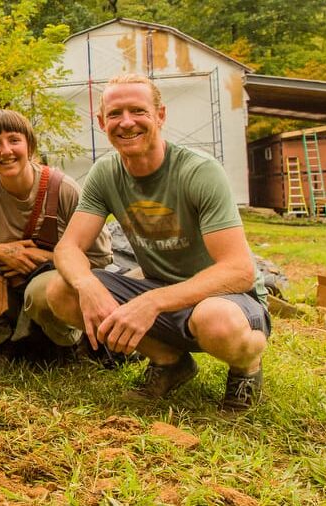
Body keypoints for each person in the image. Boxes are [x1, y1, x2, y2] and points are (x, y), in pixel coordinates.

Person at [47, 73, 269, 410]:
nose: (126, 123)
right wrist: (87, 285)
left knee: (215, 321)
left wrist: (152, 302)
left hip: (226, 300)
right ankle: (170, 363)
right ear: (100, 122)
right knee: (62, 291)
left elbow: (240, 270)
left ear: (160, 115)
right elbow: (68, 248)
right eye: (114, 114)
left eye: (138, 111)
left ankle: (246, 368)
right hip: (161, 291)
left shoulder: (198, 172)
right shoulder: (106, 173)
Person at [0, 109, 114, 369]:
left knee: (40, 289)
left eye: (14, 140)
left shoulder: (64, 190)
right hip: (4, 292)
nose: (6, 150)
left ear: (29, 146)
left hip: (53, 289)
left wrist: (46, 259)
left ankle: (67, 345)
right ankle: (2, 344)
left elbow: (100, 258)